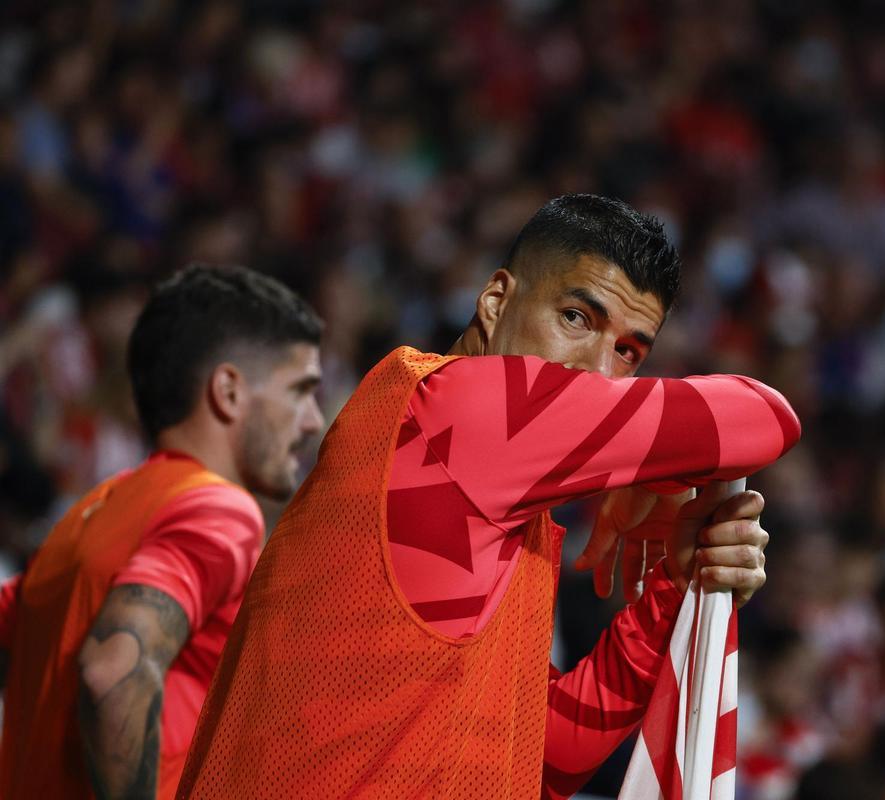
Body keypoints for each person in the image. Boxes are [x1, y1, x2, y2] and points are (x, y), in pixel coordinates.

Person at [179, 194, 801, 798]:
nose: (595, 372)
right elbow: (766, 416)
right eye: (576, 319)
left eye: (628, 352)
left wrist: (675, 581)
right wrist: (650, 473)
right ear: (495, 300)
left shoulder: (483, 485)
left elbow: (544, 757)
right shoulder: (461, 413)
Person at [0, 264, 324, 800]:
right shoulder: (220, 509)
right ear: (229, 391)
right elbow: (113, 668)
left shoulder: (98, 507)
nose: (312, 419)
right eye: (299, 390)